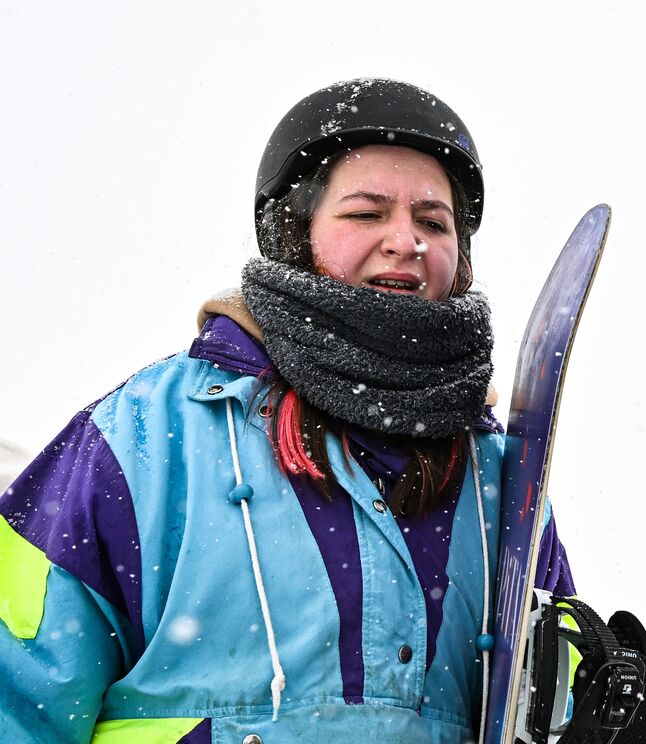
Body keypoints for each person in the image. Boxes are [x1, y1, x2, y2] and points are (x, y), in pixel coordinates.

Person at [0, 78, 575, 743]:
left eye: (433, 221)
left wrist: (589, 682)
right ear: (293, 231)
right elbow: (17, 685)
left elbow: (543, 700)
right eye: (366, 213)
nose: (405, 240)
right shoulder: (148, 436)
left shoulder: (496, 483)